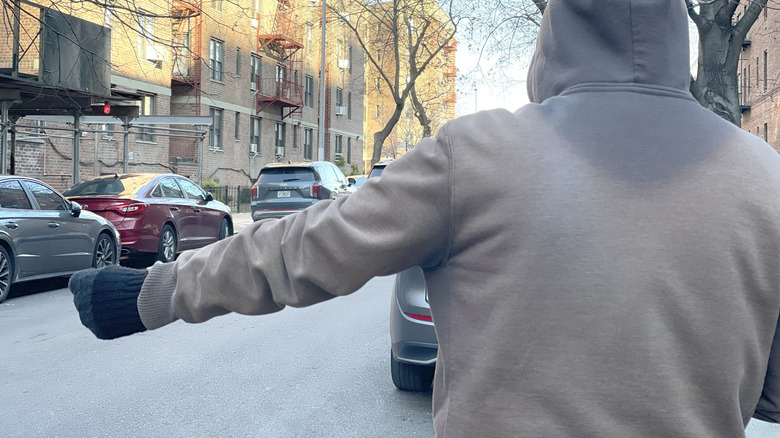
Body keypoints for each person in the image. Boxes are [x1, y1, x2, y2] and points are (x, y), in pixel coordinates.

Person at [69, 0, 780, 436]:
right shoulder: (765, 179)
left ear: (558, 33)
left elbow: (300, 250)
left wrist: (150, 293)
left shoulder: (478, 155)